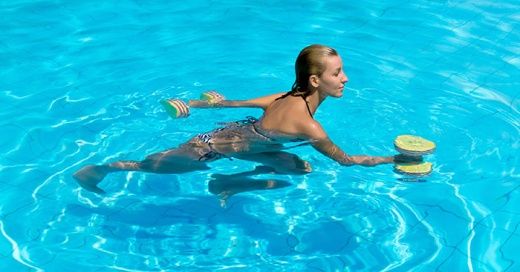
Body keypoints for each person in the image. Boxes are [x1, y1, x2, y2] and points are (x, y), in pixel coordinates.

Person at [73, 44, 415, 194]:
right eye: (338, 73)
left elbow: (232, 104)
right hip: (210, 148)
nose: (345, 79)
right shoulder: (309, 126)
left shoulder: (285, 95)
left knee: (297, 168)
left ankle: (229, 184)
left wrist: (194, 104)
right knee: (149, 166)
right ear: (315, 81)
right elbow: (346, 162)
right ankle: (101, 170)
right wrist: (393, 160)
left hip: (243, 140)